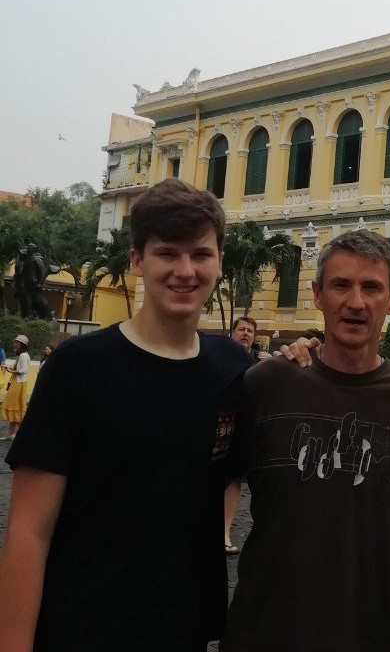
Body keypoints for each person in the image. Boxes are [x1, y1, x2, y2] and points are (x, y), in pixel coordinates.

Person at [0, 178, 253, 652]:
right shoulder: (80, 366)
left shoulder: (233, 369)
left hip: (183, 628)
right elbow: (29, 529)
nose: (185, 270)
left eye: (200, 254)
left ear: (219, 262)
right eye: (167, 253)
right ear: (137, 261)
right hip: (82, 625)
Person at [220, 230, 390, 652]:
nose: (356, 302)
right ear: (317, 294)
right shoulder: (266, 383)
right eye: (341, 285)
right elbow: (215, 482)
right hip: (262, 633)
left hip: (365, 635)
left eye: (371, 287)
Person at [224, 316, 261, 555]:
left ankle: (224, 532)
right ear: (233, 332)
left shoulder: (257, 363)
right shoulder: (218, 356)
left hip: (240, 429)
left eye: (249, 331)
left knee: (233, 479)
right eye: (241, 329)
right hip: (213, 425)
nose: (245, 333)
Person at [0, 335, 31, 441]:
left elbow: (24, 370)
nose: (14, 344)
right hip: (17, 383)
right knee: (15, 409)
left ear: (21, 344)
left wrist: (10, 371)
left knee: (15, 408)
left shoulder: (23, 356)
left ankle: (26, 433)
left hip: (19, 384)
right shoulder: (22, 355)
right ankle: (10, 434)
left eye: (16, 342)